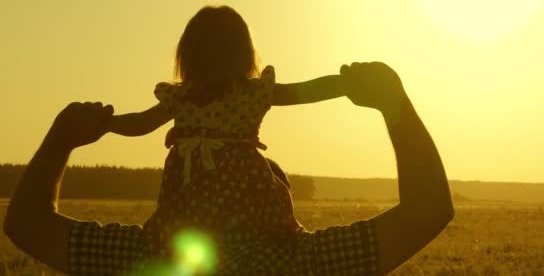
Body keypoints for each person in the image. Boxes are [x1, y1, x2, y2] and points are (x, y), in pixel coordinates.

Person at [4, 61, 454, 275]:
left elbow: (27, 224)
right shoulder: (310, 263)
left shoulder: (143, 260)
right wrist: (394, 105)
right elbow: (428, 209)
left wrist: (61, 140)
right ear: (280, 198)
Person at [107, 5, 349, 260]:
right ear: (243, 54)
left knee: (182, 249)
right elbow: (303, 92)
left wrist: (105, 123)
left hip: (190, 205)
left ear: (188, 56)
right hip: (242, 204)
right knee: (259, 248)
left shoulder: (185, 97)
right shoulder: (238, 94)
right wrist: (345, 83)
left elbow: (140, 123)